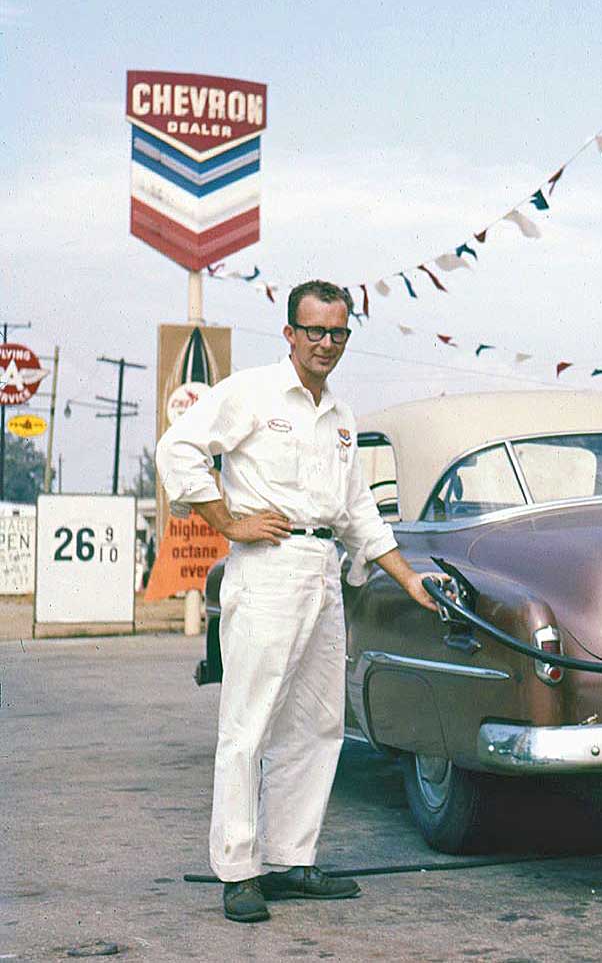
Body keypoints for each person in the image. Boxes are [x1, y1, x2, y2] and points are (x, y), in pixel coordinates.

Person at [155, 279, 447, 923]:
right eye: (313, 330)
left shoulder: (340, 417)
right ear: (288, 333)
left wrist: (407, 578)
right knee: (249, 723)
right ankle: (238, 870)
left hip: (323, 573)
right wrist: (227, 522)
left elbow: (358, 511)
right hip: (266, 570)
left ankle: (289, 860)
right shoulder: (252, 393)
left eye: (337, 332)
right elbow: (178, 446)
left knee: (316, 723)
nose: (325, 343)